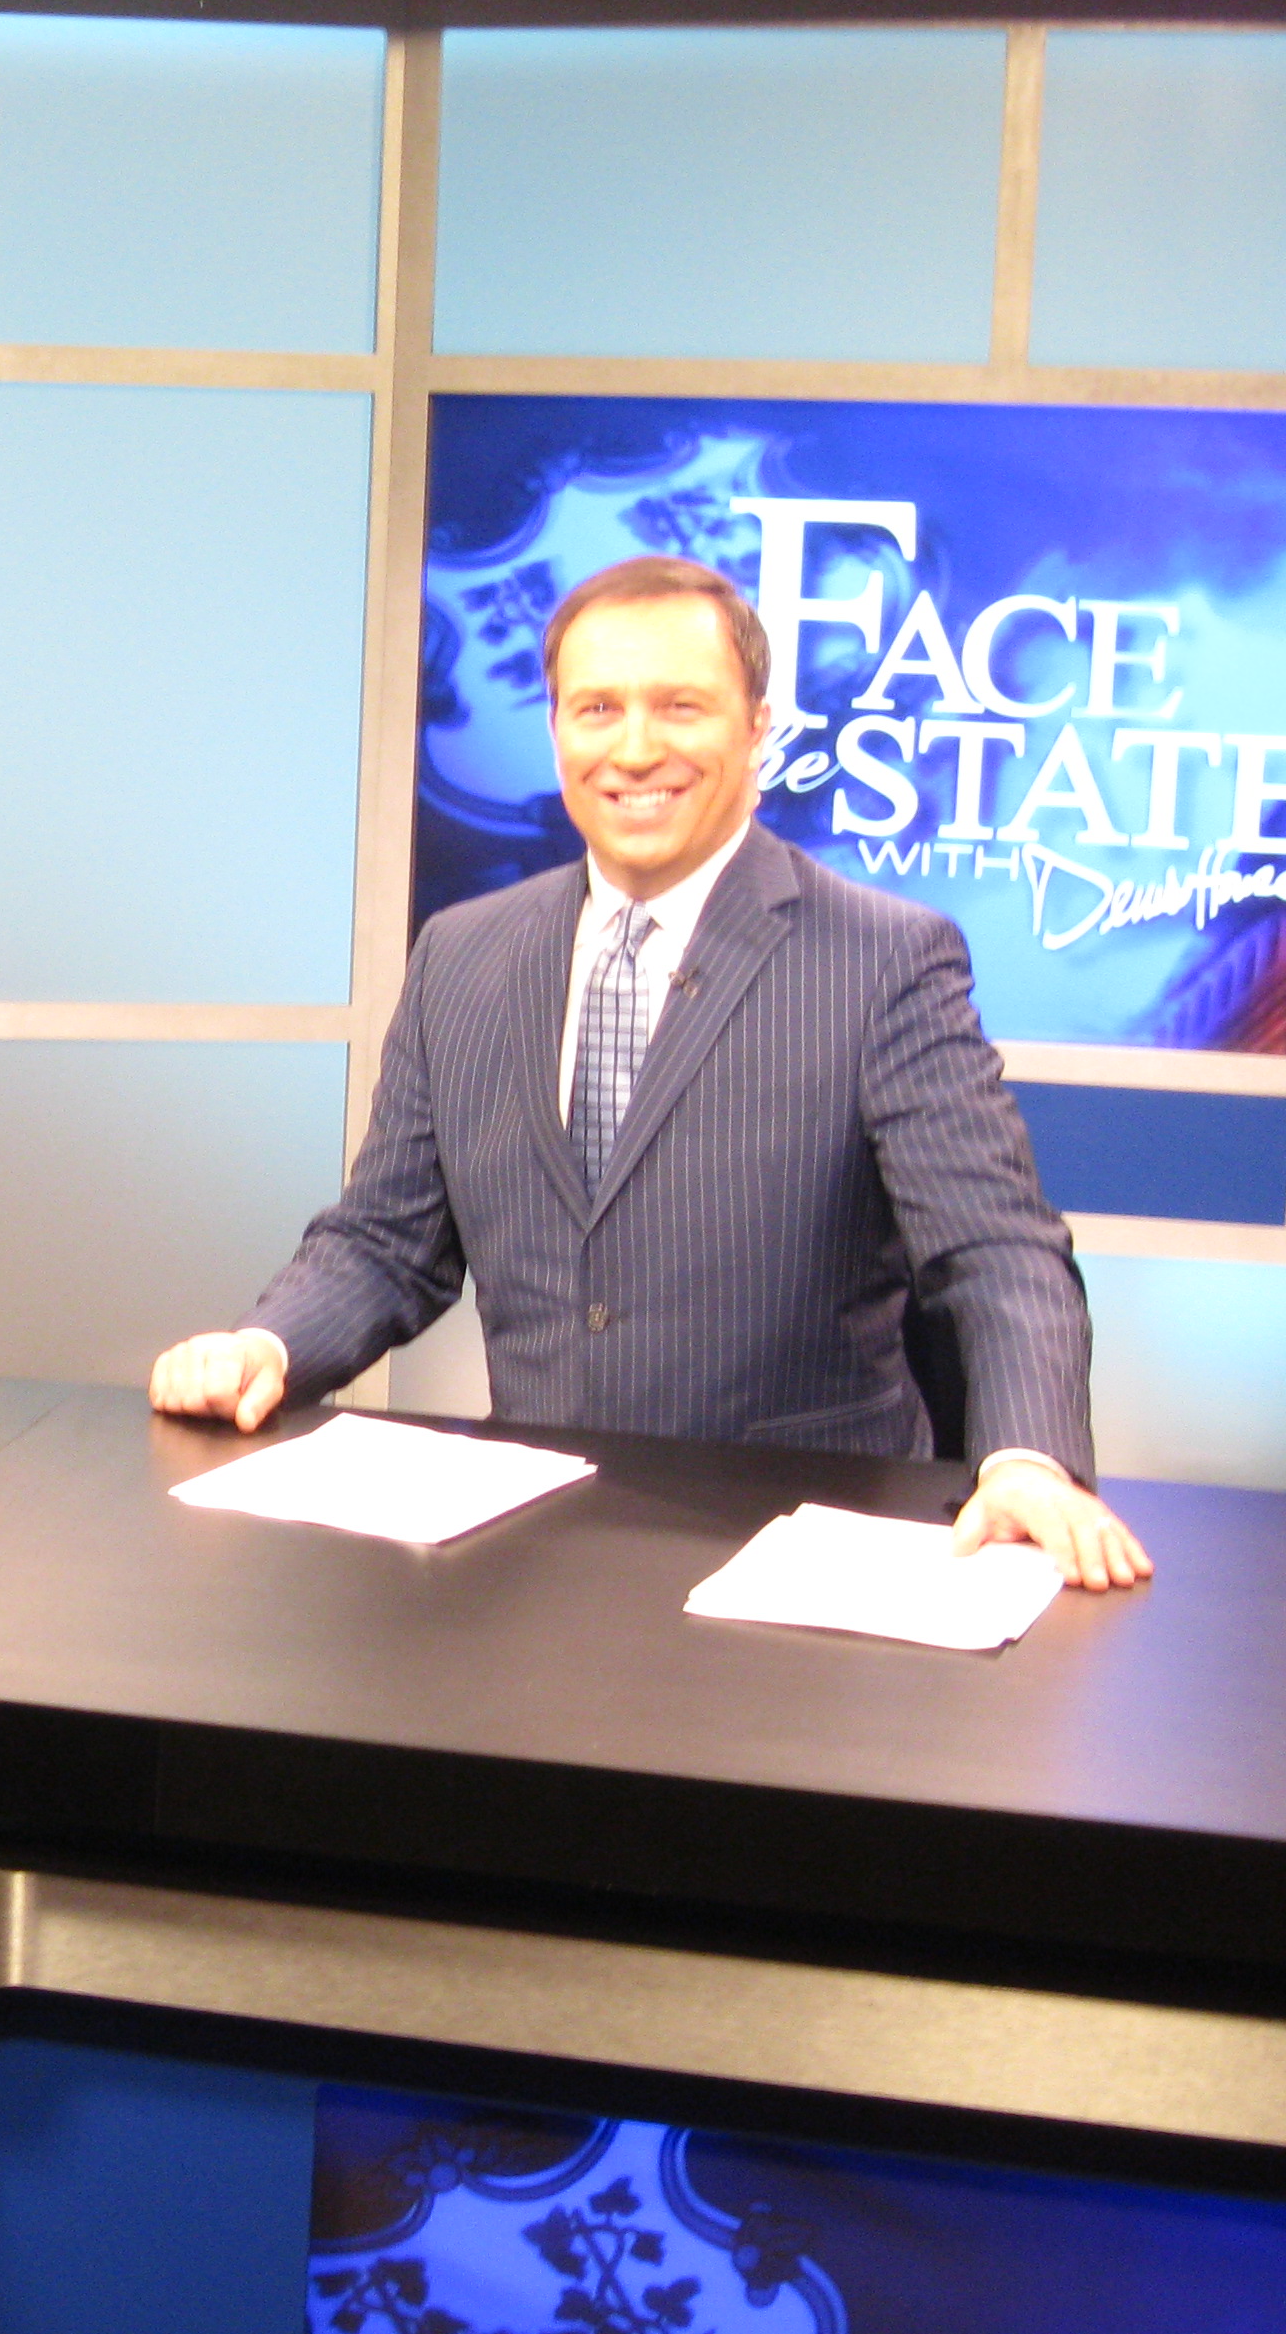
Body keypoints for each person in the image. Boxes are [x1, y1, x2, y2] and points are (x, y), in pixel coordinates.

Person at [150, 556, 1147, 1591]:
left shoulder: (884, 958)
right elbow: (386, 1242)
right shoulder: (460, 953)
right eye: (598, 709)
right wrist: (267, 1345)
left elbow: (994, 1248)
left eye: (680, 706)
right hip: (532, 1558)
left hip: (798, 1554)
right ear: (556, 730)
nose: (634, 749)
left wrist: (1028, 1460)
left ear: (757, 728)